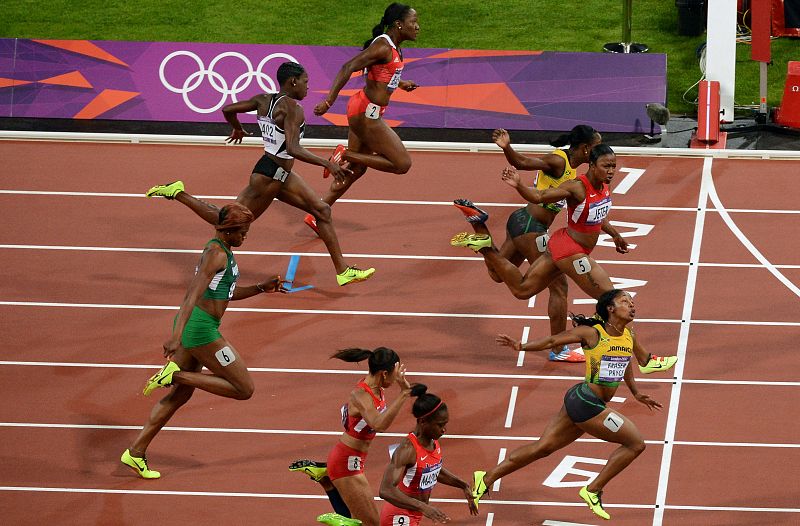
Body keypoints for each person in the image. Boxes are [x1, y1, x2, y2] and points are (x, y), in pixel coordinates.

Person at [452, 143, 677, 374]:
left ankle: (486, 247)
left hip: (560, 247)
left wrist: (615, 235)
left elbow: (597, 215)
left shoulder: (602, 187)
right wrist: (519, 184)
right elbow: (540, 196)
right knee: (614, 302)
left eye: (613, 166)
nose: (611, 171)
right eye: (605, 166)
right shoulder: (577, 187)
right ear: (592, 165)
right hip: (571, 252)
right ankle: (645, 359)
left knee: (522, 290)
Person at [145, 61, 375, 287]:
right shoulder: (293, 108)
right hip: (268, 176)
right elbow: (293, 148)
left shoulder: (263, 99)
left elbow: (227, 109)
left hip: (279, 173)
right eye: (306, 82)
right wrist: (328, 164)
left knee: (322, 210)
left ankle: (343, 271)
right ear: (293, 81)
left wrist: (236, 126)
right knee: (229, 221)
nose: (308, 87)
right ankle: (178, 193)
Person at [121, 203, 290, 479]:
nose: (245, 237)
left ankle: (136, 452)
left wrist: (261, 287)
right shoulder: (216, 254)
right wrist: (175, 336)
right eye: (243, 233)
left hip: (198, 326)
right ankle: (177, 375)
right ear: (229, 230)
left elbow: (226, 293)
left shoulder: (224, 251)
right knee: (243, 387)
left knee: (179, 397)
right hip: (200, 329)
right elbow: (191, 294)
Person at [472, 289, 664, 521]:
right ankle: (592, 490)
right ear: (610, 309)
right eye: (625, 302)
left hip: (580, 400)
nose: (632, 305)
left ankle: (486, 478)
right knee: (635, 443)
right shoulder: (593, 333)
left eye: (632, 302)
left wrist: (636, 392)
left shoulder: (628, 335)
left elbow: (625, 362)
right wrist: (522, 346)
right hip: (587, 402)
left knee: (543, 447)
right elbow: (554, 340)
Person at [482, 126, 602, 362]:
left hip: (522, 220)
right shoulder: (559, 160)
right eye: (598, 148)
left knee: (497, 275)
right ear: (587, 149)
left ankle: (482, 238)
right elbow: (524, 162)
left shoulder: (576, 172)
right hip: (531, 227)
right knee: (558, 287)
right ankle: (559, 349)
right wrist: (507, 147)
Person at [307, 3, 420, 230]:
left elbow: (381, 76)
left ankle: (317, 213)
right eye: (413, 22)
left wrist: (401, 83)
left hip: (363, 108)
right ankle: (344, 153)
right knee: (402, 164)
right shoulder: (383, 46)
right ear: (399, 24)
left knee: (356, 169)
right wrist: (329, 101)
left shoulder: (394, 47)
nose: (417, 27)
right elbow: (348, 66)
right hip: (366, 114)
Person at [289, 347, 420, 526]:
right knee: (372, 524)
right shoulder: (361, 395)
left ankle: (326, 481)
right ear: (384, 373)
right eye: (395, 374)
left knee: (362, 519)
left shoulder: (376, 389)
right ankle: (338, 521)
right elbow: (379, 424)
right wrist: (404, 393)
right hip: (346, 463)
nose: (397, 378)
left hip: (352, 460)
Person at [378, 388, 478, 525]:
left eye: (445, 424)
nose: (444, 430)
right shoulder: (407, 450)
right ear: (423, 421)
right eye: (440, 425)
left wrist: (463, 485)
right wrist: (423, 507)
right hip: (399, 516)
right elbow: (385, 490)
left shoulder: (433, 442)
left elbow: (434, 470)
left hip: (415, 514)